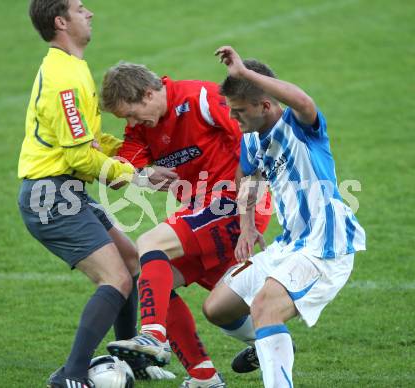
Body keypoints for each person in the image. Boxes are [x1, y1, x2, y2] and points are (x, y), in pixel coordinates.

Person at [18, 1, 172, 386]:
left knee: (132, 261)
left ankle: (131, 356)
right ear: (61, 22)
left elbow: (88, 142)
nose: (90, 13)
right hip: (50, 197)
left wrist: (135, 155)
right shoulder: (65, 79)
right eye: (80, 8)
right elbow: (80, 157)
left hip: (66, 190)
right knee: (116, 279)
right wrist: (135, 176)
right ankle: (71, 376)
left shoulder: (72, 68)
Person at [99, 61, 271, 387]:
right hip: (203, 213)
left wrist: (243, 201)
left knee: (149, 244)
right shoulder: (141, 128)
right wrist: (137, 172)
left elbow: (253, 141)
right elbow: (120, 173)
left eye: (132, 114)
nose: (132, 123)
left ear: (149, 93)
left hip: (234, 204)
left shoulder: (201, 98)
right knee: (155, 281)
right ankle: (206, 375)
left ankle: (151, 336)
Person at [202, 46, 366, 387]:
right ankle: (266, 345)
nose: (234, 118)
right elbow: (247, 178)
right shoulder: (250, 139)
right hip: (289, 244)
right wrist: (247, 226)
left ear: (265, 105)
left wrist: (245, 73)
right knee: (217, 308)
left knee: (265, 306)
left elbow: (303, 101)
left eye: (239, 111)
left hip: (326, 243)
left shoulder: (300, 125)